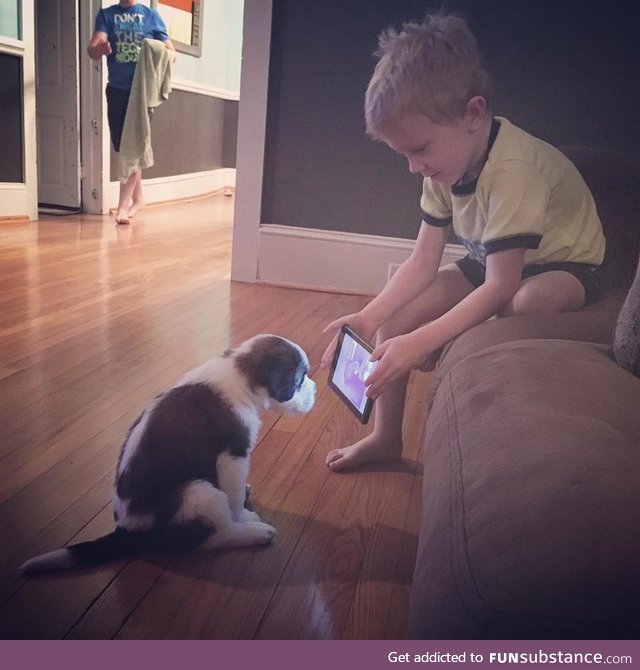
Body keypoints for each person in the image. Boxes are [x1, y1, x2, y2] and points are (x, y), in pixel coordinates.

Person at [320, 12, 606, 472]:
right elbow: (422, 260)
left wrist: (429, 338)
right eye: (405, 154)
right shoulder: (441, 167)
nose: (415, 167)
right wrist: (368, 316)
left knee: (528, 299)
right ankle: (385, 438)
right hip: (489, 259)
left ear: (474, 114)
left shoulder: (514, 169)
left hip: (563, 265)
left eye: (421, 149)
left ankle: (459, 336)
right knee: (394, 324)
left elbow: (501, 286)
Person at [87, 0, 175, 224]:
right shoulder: (107, 15)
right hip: (117, 89)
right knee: (123, 145)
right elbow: (94, 47)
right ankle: (139, 199)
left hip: (142, 93)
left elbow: (171, 53)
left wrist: (155, 47)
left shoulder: (150, 15)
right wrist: (100, 48)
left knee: (132, 145)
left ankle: (123, 207)